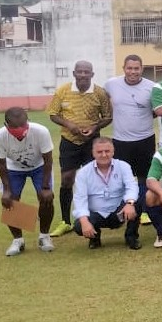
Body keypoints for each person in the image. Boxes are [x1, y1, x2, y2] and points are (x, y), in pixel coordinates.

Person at [46, 60, 112, 237]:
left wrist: (94, 128)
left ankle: (93, 217)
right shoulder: (63, 91)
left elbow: (107, 117)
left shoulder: (99, 93)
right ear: (74, 73)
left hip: (92, 142)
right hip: (69, 141)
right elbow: (53, 113)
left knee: (94, 180)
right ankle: (66, 221)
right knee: (67, 179)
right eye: (80, 72)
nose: (83, 75)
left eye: (86, 72)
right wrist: (70, 125)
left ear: (92, 74)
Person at [0, 107, 56, 256]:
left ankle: (44, 237)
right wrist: (7, 190)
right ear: (5, 124)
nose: (20, 130)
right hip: (13, 168)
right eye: (15, 127)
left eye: (23, 125)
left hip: (40, 166)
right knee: (10, 200)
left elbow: (48, 160)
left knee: (46, 197)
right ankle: (18, 240)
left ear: (28, 121)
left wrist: (46, 187)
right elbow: (1, 164)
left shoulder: (41, 131)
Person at [105, 55, 156, 226]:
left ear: (142, 68)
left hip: (145, 139)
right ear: (124, 68)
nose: (133, 72)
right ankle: (123, 210)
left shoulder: (152, 87)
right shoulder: (111, 84)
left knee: (144, 178)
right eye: (129, 68)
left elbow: (155, 111)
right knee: (122, 178)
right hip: (120, 140)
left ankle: (143, 212)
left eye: (136, 68)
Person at [71, 137, 141, 249]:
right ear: (93, 153)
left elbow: (132, 186)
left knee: (137, 202)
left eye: (107, 151)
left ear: (113, 152)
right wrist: (84, 221)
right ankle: (94, 238)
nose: (104, 155)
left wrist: (130, 203)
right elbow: (80, 199)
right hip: (96, 214)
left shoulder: (123, 166)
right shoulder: (83, 173)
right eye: (99, 152)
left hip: (118, 213)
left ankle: (131, 237)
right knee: (79, 225)